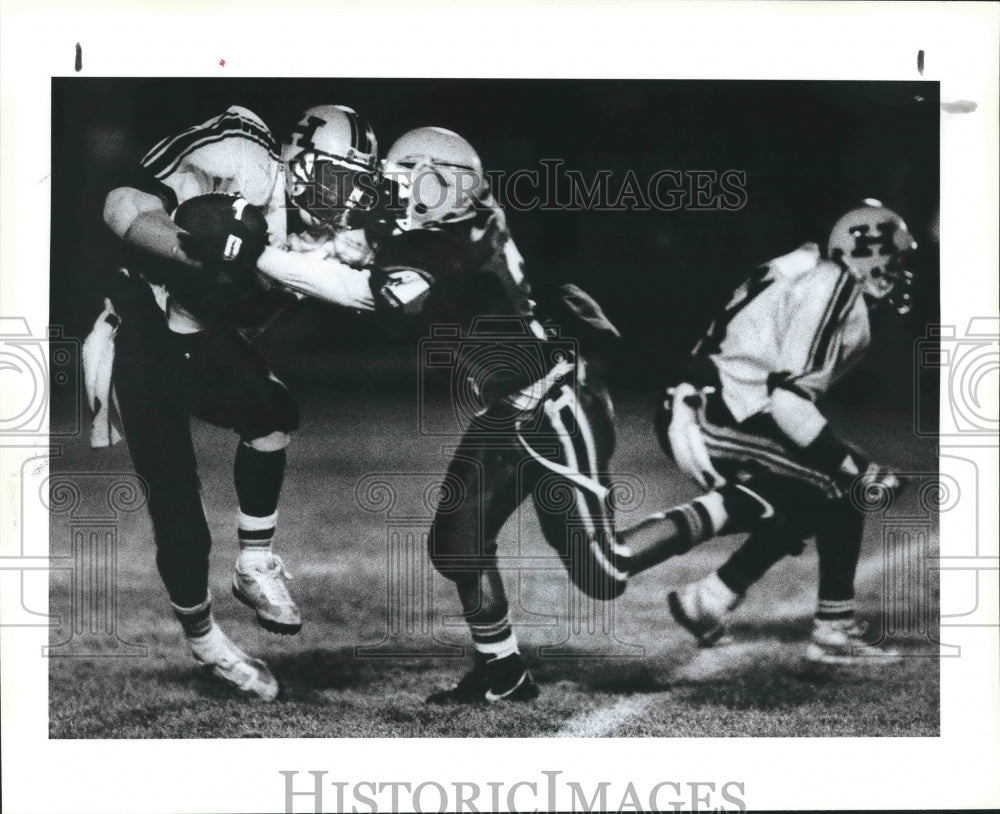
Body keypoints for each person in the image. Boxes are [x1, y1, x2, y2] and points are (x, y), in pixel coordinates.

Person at [89, 103, 378, 700]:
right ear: (297, 162)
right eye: (334, 179)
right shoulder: (244, 157)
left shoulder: (330, 239)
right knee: (181, 518)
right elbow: (122, 205)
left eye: (356, 185)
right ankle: (207, 645)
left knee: (273, 414)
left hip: (199, 336)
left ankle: (254, 563)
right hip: (143, 327)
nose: (344, 199)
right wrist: (196, 246)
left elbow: (366, 295)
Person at [365, 127, 626, 703]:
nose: (397, 190)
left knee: (603, 572)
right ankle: (504, 674)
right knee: (456, 543)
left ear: (444, 186)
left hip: (557, 404)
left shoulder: (447, 244)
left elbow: (397, 302)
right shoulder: (465, 221)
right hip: (511, 407)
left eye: (410, 180)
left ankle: (726, 508)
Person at [618, 199, 915, 664]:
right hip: (712, 412)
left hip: (717, 405)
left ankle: (710, 598)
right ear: (868, 255)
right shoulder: (834, 285)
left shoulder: (808, 269)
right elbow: (789, 402)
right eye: (895, 260)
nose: (899, 272)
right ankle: (833, 629)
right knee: (840, 484)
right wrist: (860, 467)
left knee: (809, 492)